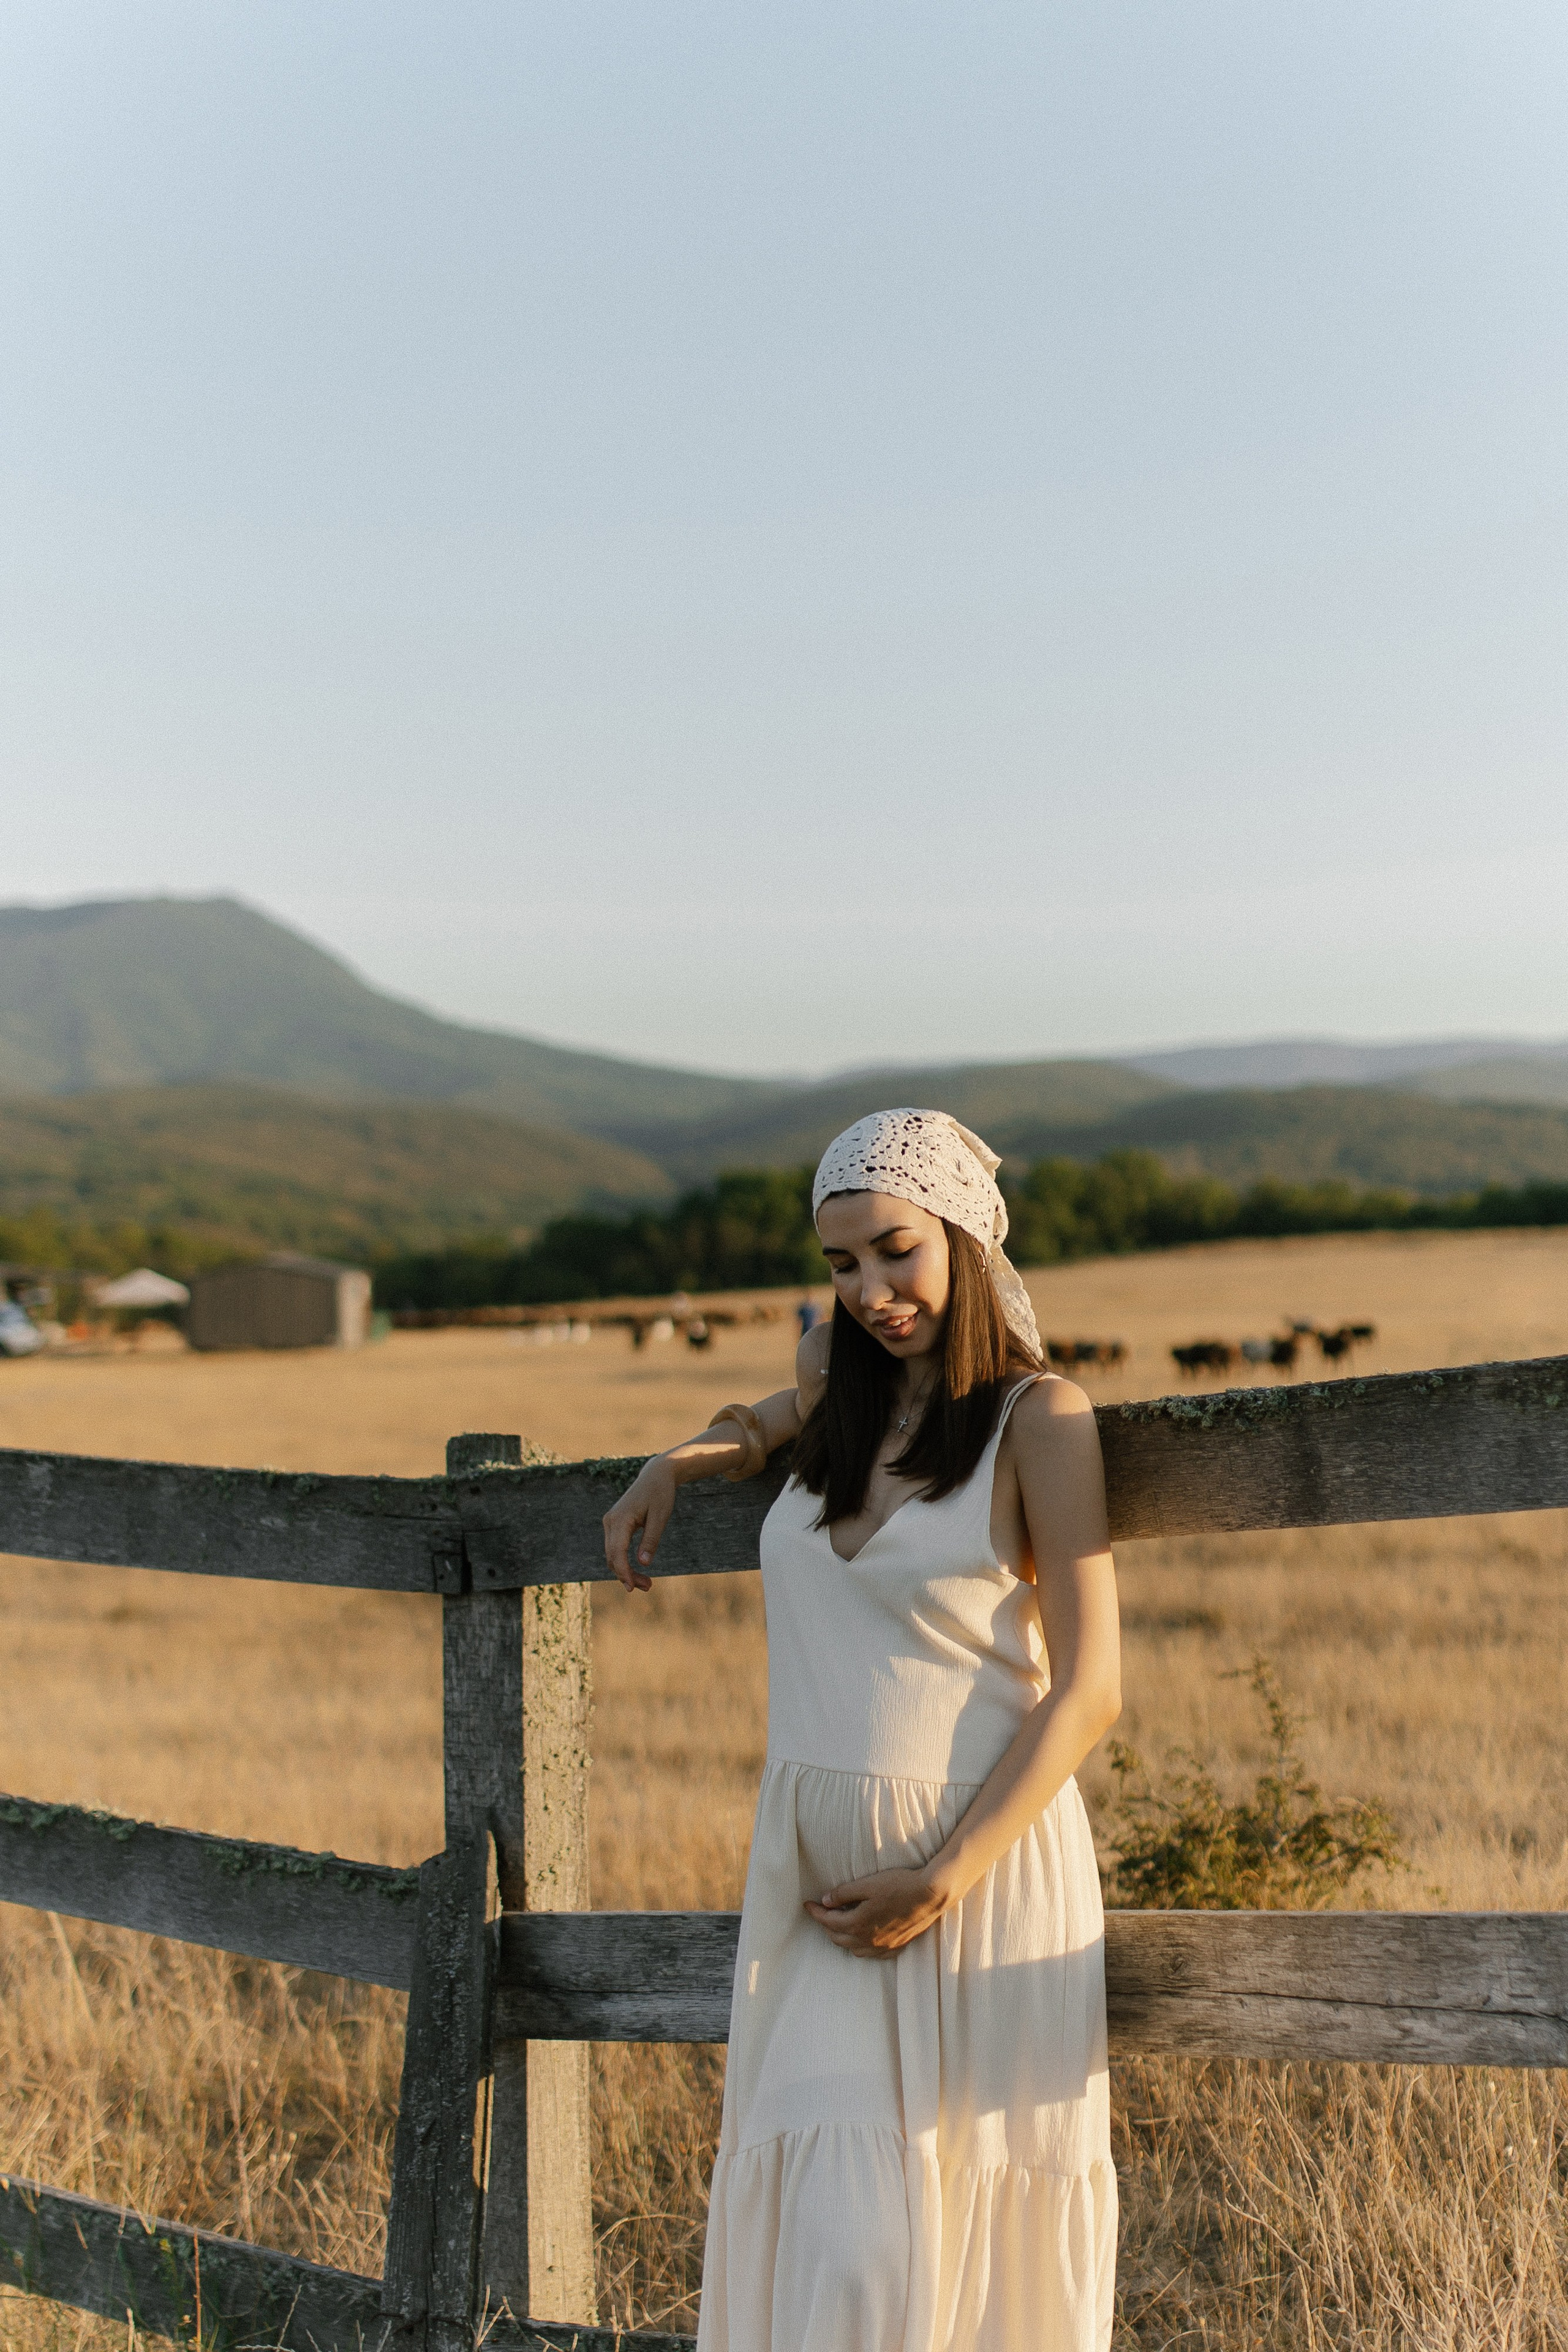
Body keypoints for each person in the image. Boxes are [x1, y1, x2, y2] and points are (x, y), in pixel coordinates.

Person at [604, 1108, 1120, 2351]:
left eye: (896, 1251)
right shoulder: (833, 1404)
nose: (874, 1291)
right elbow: (767, 1425)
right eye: (842, 1267)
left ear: (962, 1239)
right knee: (843, 2250)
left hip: (974, 1871)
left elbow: (1091, 1685)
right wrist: (673, 1462)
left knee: (953, 2251)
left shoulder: (1039, 1419)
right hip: (815, 1883)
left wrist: (942, 1879)